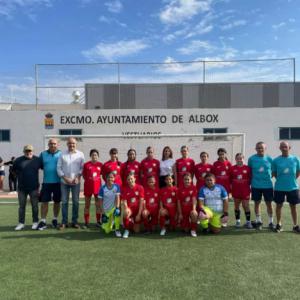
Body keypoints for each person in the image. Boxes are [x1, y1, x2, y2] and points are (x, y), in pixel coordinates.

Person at [272, 141, 300, 233]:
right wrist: (282, 180)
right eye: (282, 147)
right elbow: (274, 173)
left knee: (293, 207)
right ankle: (279, 224)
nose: (284, 148)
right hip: (279, 187)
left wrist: (291, 179)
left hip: (293, 187)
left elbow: (298, 172)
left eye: (285, 147)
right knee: (279, 206)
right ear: (280, 148)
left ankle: (295, 225)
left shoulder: (296, 159)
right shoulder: (275, 160)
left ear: (289, 148)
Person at [57, 137, 84, 229]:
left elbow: (82, 168)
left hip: (76, 182)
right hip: (64, 182)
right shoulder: (62, 154)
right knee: (64, 202)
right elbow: (58, 168)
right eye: (70, 143)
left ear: (76, 144)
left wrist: (78, 177)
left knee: (75, 202)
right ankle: (64, 222)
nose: (71, 145)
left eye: (73, 143)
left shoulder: (80, 154)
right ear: (67, 144)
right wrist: (65, 178)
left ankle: (74, 221)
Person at [13, 145, 42, 231]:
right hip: (21, 188)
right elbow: (14, 171)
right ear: (24, 151)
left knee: (35, 206)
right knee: (21, 206)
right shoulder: (18, 160)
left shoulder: (38, 160)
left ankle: (35, 222)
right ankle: (21, 223)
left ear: (33, 151)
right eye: (26, 151)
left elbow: (44, 168)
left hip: (34, 188)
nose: (28, 152)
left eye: (30, 151)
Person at [248, 142, 274, 230]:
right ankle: (259, 221)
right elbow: (249, 172)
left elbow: (274, 172)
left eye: (262, 148)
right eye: (258, 148)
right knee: (257, 203)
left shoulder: (270, 159)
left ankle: (271, 222)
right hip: (255, 185)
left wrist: (267, 178)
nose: (260, 149)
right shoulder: (251, 159)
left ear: (265, 148)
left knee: (269, 204)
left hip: (268, 186)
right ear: (255, 149)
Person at [37, 138, 62, 230]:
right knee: (44, 202)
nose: (53, 145)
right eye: (51, 144)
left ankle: (55, 219)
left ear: (57, 145)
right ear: (48, 144)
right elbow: (39, 166)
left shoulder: (61, 154)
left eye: (54, 144)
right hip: (46, 183)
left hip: (58, 183)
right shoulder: (43, 154)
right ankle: (43, 221)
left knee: (57, 202)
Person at [230, 153, 252, 229]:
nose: (239, 160)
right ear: (235, 159)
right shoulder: (232, 168)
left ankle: (248, 222)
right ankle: (238, 221)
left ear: (243, 159)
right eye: (238, 158)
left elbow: (251, 179)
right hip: (236, 190)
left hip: (245, 190)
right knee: (236, 206)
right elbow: (230, 180)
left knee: (246, 206)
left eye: (241, 158)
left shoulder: (248, 168)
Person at [82, 149, 103, 228]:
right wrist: (90, 181)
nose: (94, 156)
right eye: (93, 155)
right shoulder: (86, 165)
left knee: (98, 205)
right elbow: (84, 175)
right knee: (87, 205)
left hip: (98, 188)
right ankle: (86, 222)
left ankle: (98, 221)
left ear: (98, 156)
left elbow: (103, 175)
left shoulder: (101, 165)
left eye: (96, 155)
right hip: (88, 187)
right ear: (90, 156)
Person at [121, 174, 144, 238]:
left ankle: (131, 222)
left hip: (137, 209)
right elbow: (124, 201)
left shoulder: (140, 187)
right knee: (126, 213)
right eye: (128, 179)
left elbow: (141, 201)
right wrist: (126, 208)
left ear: (135, 179)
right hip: (130, 209)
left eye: (131, 178)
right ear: (127, 181)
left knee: (136, 231)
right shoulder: (125, 189)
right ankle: (126, 230)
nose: (130, 180)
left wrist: (139, 214)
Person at [99, 172, 122, 237]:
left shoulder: (116, 186)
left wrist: (117, 208)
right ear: (106, 178)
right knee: (107, 231)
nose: (110, 179)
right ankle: (110, 223)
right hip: (106, 210)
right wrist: (103, 212)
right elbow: (100, 201)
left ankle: (117, 229)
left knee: (117, 214)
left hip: (114, 208)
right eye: (108, 177)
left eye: (112, 177)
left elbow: (118, 198)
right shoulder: (102, 188)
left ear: (114, 178)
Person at [177, 173, 198, 237]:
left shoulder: (193, 188)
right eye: (185, 179)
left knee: (194, 213)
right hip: (183, 211)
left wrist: (194, 209)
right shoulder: (179, 189)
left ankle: (193, 229)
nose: (187, 181)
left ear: (191, 180)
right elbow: (178, 202)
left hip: (191, 209)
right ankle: (187, 225)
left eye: (188, 179)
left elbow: (194, 199)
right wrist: (180, 213)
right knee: (186, 230)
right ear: (183, 180)